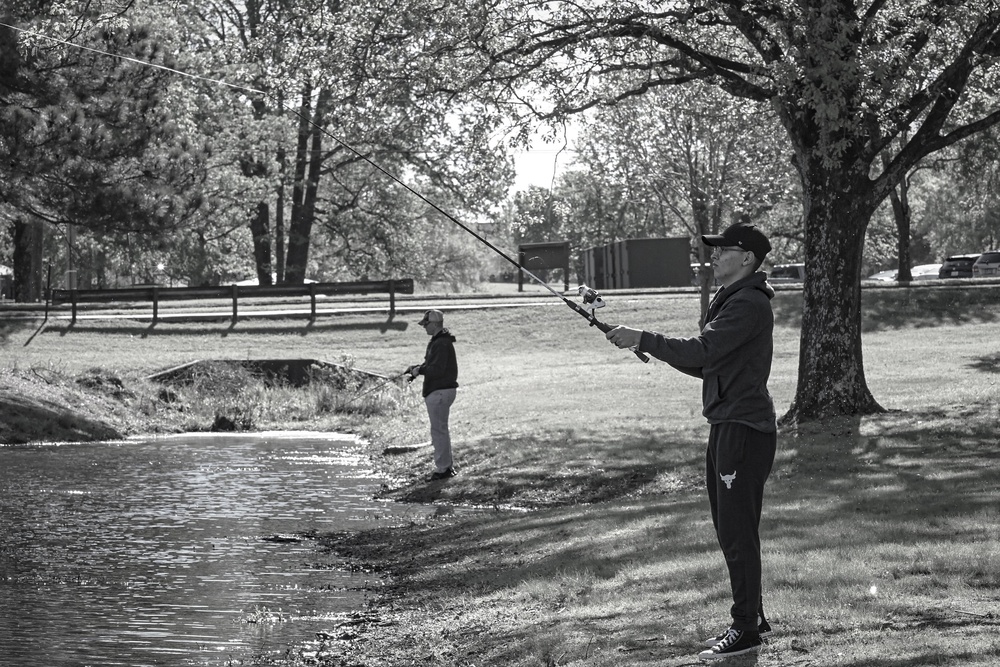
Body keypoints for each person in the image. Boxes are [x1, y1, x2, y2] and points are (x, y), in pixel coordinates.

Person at [606, 222, 777, 662]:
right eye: (715, 251)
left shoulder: (749, 305)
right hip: (727, 425)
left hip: (743, 429)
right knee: (729, 529)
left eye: (724, 250)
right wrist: (645, 344)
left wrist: (644, 338)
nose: (715, 256)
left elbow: (702, 351)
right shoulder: (732, 301)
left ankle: (745, 630)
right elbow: (707, 366)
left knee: (738, 532)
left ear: (748, 260)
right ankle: (752, 616)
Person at [406, 309, 459, 480]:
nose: (424, 327)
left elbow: (436, 370)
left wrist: (419, 370)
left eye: (426, 324)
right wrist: (416, 369)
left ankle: (443, 469)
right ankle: (445, 467)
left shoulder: (441, 343)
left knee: (438, 431)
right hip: (441, 391)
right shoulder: (439, 341)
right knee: (440, 430)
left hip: (440, 392)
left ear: (435, 324)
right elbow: (433, 365)